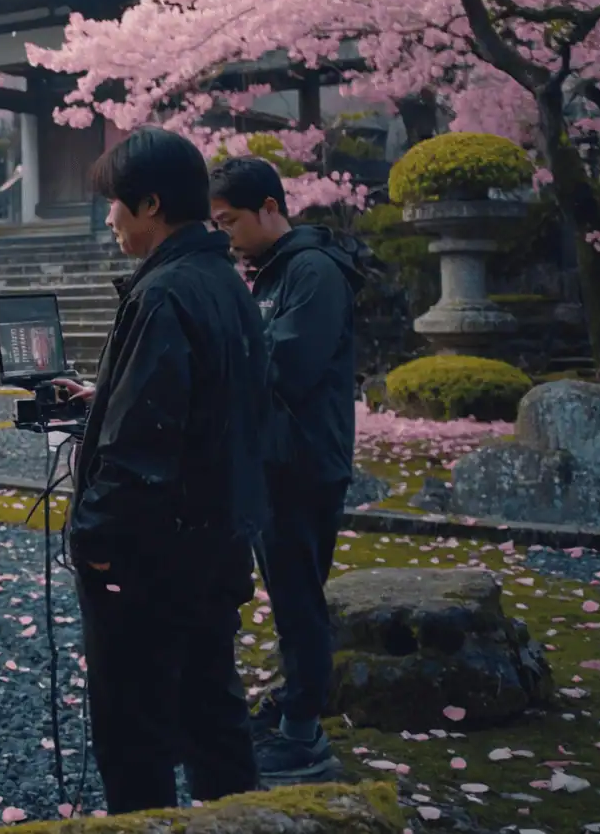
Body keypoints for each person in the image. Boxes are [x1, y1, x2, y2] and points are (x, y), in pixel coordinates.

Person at [55, 127, 270, 815]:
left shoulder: (164, 294)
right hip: (215, 541)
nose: (108, 217)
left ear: (150, 204)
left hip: (151, 560)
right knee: (212, 714)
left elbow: (141, 451)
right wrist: (107, 398)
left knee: (134, 734)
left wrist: (91, 546)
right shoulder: (222, 281)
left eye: (115, 203)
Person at [210, 157, 364, 781]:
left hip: (303, 462)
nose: (226, 235)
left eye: (231, 221)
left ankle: (303, 731)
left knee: (300, 600)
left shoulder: (313, 272)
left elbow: (287, 368)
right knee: (290, 595)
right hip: (277, 459)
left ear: (270, 208)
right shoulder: (271, 271)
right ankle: (292, 705)